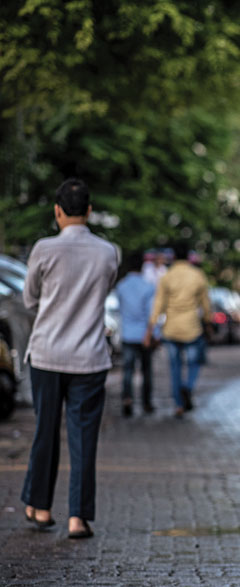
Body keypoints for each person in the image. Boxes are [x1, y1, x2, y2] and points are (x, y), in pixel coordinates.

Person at [20, 178, 119, 539]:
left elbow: (30, 300)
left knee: (45, 431)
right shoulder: (108, 252)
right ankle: (78, 517)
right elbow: (103, 290)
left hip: (47, 354)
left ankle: (40, 506)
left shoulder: (44, 249)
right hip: (89, 357)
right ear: (89, 211)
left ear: (57, 211)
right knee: (83, 437)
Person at [144, 240, 212, 418]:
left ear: (172, 257)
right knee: (194, 362)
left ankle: (178, 405)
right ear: (189, 256)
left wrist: (150, 328)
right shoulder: (197, 275)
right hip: (192, 328)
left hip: (171, 329)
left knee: (174, 367)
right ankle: (188, 386)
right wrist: (208, 322)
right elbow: (206, 304)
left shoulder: (167, 276)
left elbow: (158, 304)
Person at [115, 252, 157, 416]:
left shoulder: (121, 286)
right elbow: (151, 313)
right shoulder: (148, 286)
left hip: (127, 334)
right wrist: (153, 334)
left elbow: (119, 310)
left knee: (128, 371)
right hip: (144, 335)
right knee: (146, 370)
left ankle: (127, 399)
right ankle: (146, 402)